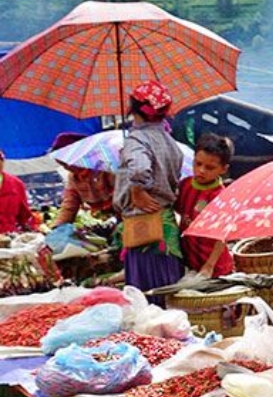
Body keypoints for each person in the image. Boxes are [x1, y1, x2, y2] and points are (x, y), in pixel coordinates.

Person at [114, 80, 185, 295]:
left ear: (133, 109)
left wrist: (137, 189)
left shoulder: (137, 140)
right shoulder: (170, 141)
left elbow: (139, 168)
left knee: (146, 296)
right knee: (168, 291)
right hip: (166, 228)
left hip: (144, 228)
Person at [175, 133, 235, 277]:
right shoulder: (185, 185)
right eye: (198, 164)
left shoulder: (220, 196)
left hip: (215, 266)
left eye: (210, 167)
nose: (201, 170)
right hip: (191, 259)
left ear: (223, 169)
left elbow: (223, 234)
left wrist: (210, 265)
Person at [49, 132, 117, 227]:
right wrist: (57, 228)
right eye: (63, 165)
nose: (67, 167)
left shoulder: (106, 168)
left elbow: (124, 196)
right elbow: (69, 205)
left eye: (67, 162)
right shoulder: (73, 178)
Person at [0, 147, 37, 234]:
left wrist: (32, 231)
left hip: (8, 239)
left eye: (0, 159)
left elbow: (25, 216)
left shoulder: (15, 183)